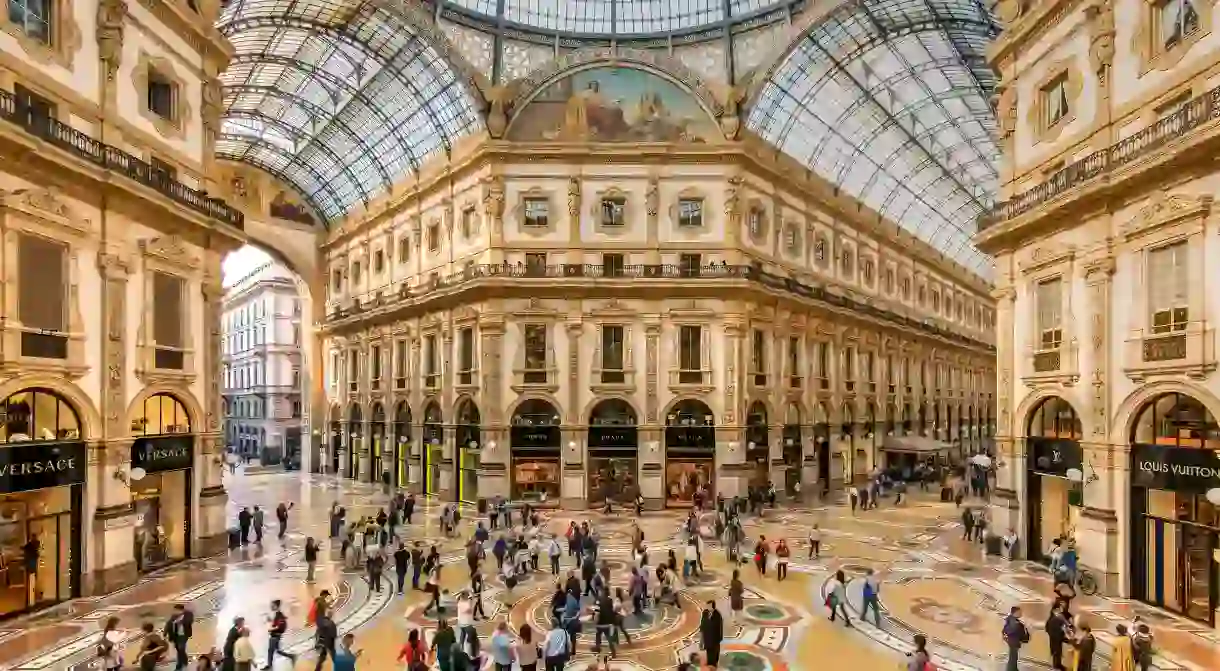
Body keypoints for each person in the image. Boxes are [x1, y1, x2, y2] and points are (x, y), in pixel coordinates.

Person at [264, 599, 295, 669]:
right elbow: (277, 623)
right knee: (277, 651)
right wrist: (270, 620)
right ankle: (292, 656)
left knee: (271, 651)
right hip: (275, 636)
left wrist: (271, 629)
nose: (271, 607)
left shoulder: (279, 615)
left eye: (272, 605)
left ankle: (269, 666)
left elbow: (279, 626)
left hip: (275, 636)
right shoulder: (277, 615)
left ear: (276, 606)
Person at [164, 603, 194, 670]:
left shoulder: (188, 614)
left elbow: (189, 621)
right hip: (175, 635)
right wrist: (165, 633)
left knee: (181, 648)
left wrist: (179, 620)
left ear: (181, 610)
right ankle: (185, 660)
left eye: (176, 610)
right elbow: (168, 624)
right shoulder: (174, 616)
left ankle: (179, 664)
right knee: (179, 649)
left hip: (183, 635)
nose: (174, 611)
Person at [1001, 606, 1029, 671]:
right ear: (1015, 612)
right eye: (1019, 612)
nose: (1021, 613)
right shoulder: (1014, 622)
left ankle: (1013, 668)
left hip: (1013, 641)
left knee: (1014, 657)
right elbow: (1012, 630)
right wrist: (1020, 626)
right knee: (1013, 657)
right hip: (1014, 641)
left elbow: (1005, 631)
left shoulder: (1012, 620)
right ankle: (1011, 669)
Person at [1046, 600, 1070, 671]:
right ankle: (1056, 666)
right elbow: (1061, 626)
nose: (1061, 609)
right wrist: (1063, 630)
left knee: (1058, 652)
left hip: (1057, 638)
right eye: (1060, 607)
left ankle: (1058, 665)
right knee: (1056, 652)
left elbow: (1066, 623)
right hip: (1055, 638)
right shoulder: (1055, 618)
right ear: (1056, 609)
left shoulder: (1058, 616)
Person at [699, 600, 724, 667]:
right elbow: (702, 626)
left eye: (708, 605)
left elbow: (720, 627)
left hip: (715, 640)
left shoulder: (717, 615)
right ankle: (710, 665)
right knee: (709, 656)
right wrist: (701, 640)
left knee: (714, 658)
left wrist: (719, 639)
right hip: (707, 639)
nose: (706, 607)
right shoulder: (705, 613)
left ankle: (713, 666)